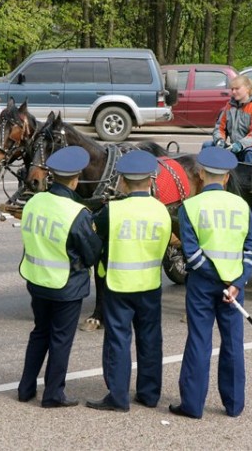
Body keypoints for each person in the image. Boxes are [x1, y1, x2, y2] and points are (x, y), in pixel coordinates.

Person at [169, 147, 252, 419]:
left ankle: (193, 406)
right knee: (233, 342)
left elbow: (192, 254)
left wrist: (216, 276)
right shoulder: (242, 207)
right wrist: (236, 282)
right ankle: (233, 405)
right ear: (227, 178)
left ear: (199, 174)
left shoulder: (190, 207)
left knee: (199, 340)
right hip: (234, 287)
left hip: (202, 284)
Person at [86, 150, 172, 413]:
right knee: (150, 340)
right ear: (151, 180)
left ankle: (118, 397)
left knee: (118, 340)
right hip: (149, 284)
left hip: (118, 284)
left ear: (122, 181)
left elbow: (94, 240)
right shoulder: (162, 211)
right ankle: (148, 394)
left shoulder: (111, 211)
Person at [17, 145, 102, 408]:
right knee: (60, 339)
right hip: (66, 286)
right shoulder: (77, 213)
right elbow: (91, 253)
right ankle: (53, 394)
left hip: (36, 280)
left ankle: (25, 388)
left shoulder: (33, 202)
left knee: (39, 332)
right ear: (75, 180)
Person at [205, 75, 252, 166]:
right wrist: (219, 140)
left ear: (247, 89)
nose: (233, 92)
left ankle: (243, 180)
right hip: (235, 149)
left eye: (237, 88)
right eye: (232, 89)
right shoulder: (229, 107)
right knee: (207, 145)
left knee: (249, 153)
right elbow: (219, 128)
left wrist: (240, 144)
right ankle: (209, 178)